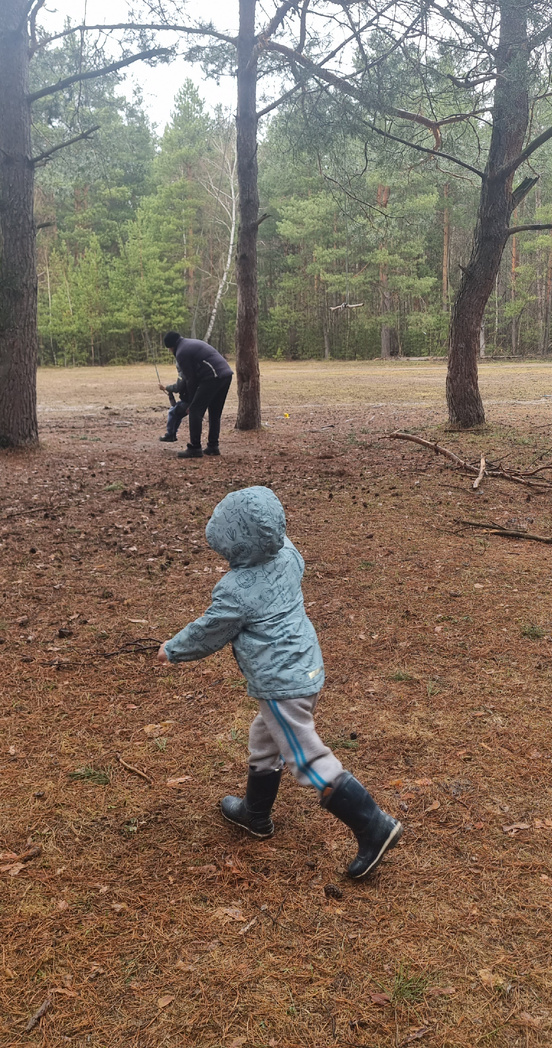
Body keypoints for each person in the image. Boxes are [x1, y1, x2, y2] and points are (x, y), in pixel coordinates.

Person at [157, 485, 403, 880]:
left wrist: (173, 649)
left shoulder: (235, 592)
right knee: (265, 737)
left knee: (306, 757)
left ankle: (373, 825)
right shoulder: (288, 555)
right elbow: (275, 540)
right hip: (306, 667)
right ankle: (256, 814)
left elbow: (209, 631)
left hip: (280, 681)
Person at [162, 331, 233, 459]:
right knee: (215, 412)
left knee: (195, 411)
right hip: (226, 374)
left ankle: (195, 448)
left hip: (213, 376)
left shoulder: (181, 352)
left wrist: (191, 401)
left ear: (170, 347)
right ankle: (213, 446)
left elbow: (190, 379)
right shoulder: (189, 343)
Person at [158, 375, 190, 443]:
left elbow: (177, 387)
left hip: (188, 401)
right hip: (192, 400)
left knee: (172, 413)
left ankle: (170, 435)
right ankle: (172, 434)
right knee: (177, 414)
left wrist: (166, 388)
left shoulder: (183, 372)